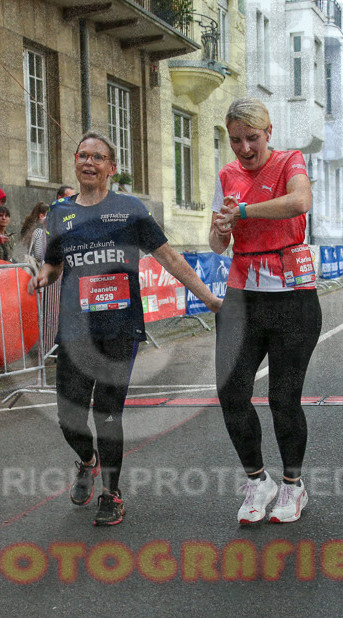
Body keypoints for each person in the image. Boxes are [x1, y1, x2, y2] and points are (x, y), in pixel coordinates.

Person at [27, 131, 222, 527]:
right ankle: (87, 461)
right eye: (83, 155)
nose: (89, 162)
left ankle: (112, 494)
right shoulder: (61, 213)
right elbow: (54, 262)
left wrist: (213, 301)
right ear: (75, 161)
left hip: (120, 328)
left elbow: (169, 258)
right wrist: (44, 276)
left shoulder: (130, 209)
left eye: (98, 157)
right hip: (76, 330)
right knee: (69, 416)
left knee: (108, 414)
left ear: (111, 168)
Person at [209, 97, 322, 525]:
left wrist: (242, 212)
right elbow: (217, 244)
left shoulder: (290, 161)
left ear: (268, 133)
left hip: (292, 296)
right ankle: (258, 481)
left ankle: (293, 485)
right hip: (242, 298)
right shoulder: (227, 175)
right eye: (236, 140)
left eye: (252, 138)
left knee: (282, 398)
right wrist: (222, 227)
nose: (244, 149)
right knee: (230, 391)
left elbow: (299, 203)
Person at [17, 202, 49, 266]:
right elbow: (39, 257)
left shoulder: (30, 227)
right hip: (33, 269)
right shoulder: (39, 231)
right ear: (41, 216)